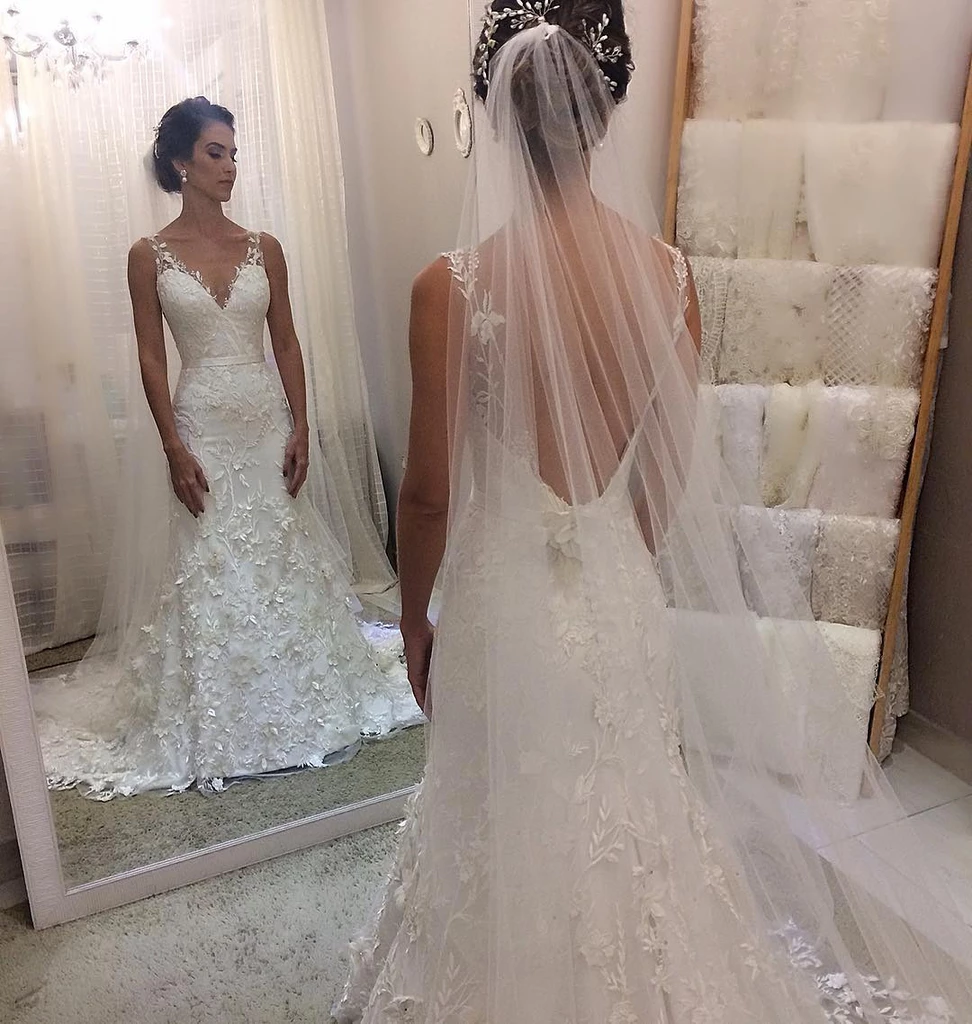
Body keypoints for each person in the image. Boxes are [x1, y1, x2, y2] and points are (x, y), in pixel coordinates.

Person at [335, 3, 972, 1021]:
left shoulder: (448, 287)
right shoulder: (668, 277)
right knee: (627, 794)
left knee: (503, 798)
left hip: (502, 602)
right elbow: (670, 457)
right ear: (604, 115)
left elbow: (426, 493)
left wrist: (413, 623)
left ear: (497, 118)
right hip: (615, 585)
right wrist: (614, 547)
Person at [32, 98, 422, 799]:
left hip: (265, 421)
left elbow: (287, 342)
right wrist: (172, 446)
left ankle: (308, 691)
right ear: (181, 162)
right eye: (217, 153)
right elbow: (152, 357)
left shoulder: (263, 246)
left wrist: (302, 425)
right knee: (210, 562)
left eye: (234, 154)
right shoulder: (147, 256)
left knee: (278, 551)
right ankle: (219, 713)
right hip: (201, 427)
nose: (231, 167)